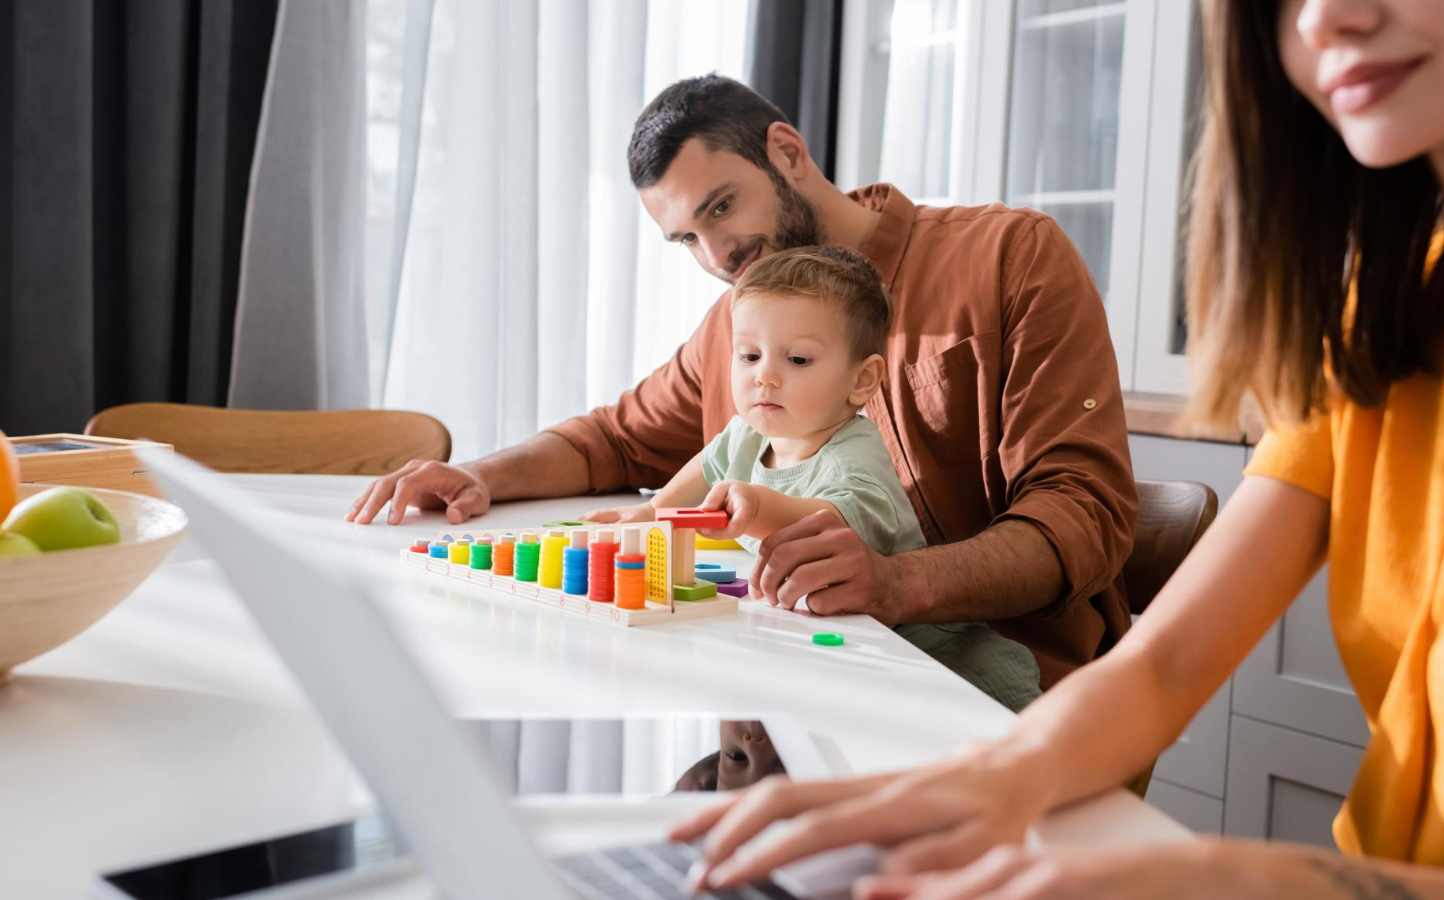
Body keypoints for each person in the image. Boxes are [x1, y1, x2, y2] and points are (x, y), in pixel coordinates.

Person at [668, 1, 1444, 897]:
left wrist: (1262, 881)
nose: (1323, 17)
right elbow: (1162, 667)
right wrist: (982, 779)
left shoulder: (1007, 253)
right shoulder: (1381, 330)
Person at [347, 74, 1136, 689]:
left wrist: (896, 584)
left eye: (722, 207)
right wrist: (475, 476)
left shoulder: (1007, 257)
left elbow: (1085, 512)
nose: (716, 255)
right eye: (687, 236)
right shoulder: (740, 322)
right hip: (808, 674)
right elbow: (615, 440)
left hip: (1002, 692)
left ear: (787, 152)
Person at [583, 245, 1040, 712]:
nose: (765, 377)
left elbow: (832, 527)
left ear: (861, 381)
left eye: (798, 360)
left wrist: (759, 508)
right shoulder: (746, 434)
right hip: (851, 659)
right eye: (749, 355)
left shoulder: (853, 456)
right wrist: (647, 512)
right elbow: (705, 468)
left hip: (945, 664)